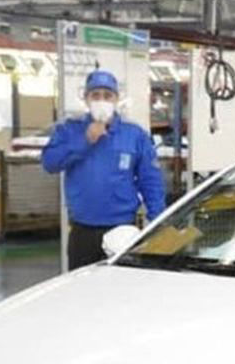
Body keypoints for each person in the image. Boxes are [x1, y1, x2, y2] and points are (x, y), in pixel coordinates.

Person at [42, 69, 165, 270]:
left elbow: (150, 180)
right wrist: (85, 141)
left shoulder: (134, 135)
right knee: (82, 284)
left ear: (116, 99)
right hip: (83, 230)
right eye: (96, 95)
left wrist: (157, 220)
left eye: (108, 96)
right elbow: (50, 163)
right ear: (86, 98)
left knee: (121, 284)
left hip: (122, 230)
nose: (102, 100)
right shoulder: (69, 130)